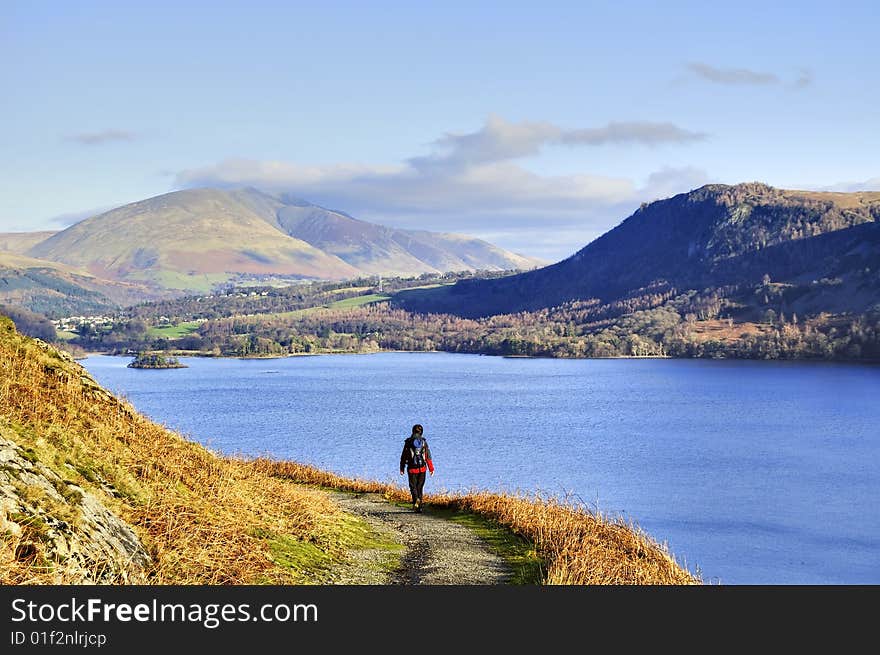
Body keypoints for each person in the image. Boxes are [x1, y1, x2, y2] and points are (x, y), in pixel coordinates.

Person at [399, 423, 434, 512]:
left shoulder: (408, 442)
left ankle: (416, 501)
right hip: (422, 469)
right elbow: (427, 456)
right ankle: (420, 507)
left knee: (413, 487)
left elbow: (403, 456)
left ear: (412, 431)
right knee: (420, 487)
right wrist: (431, 469)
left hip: (411, 469)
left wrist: (402, 468)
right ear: (421, 432)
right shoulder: (423, 442)